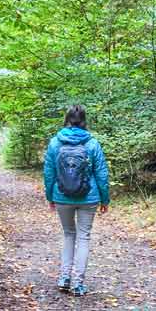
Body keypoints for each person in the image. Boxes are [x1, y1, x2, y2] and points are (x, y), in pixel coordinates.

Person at [42, 105, 110, 296]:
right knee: (84, 237)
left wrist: (50, 196)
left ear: (67, 120)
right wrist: (105, 199)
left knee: (68, 235)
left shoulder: (55, 143)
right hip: (89, 198)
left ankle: (64, 278)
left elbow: (49, 173)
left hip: (62, 196)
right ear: (84, 121)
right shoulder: (92, 143)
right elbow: (102, 174)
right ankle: (78, 284)